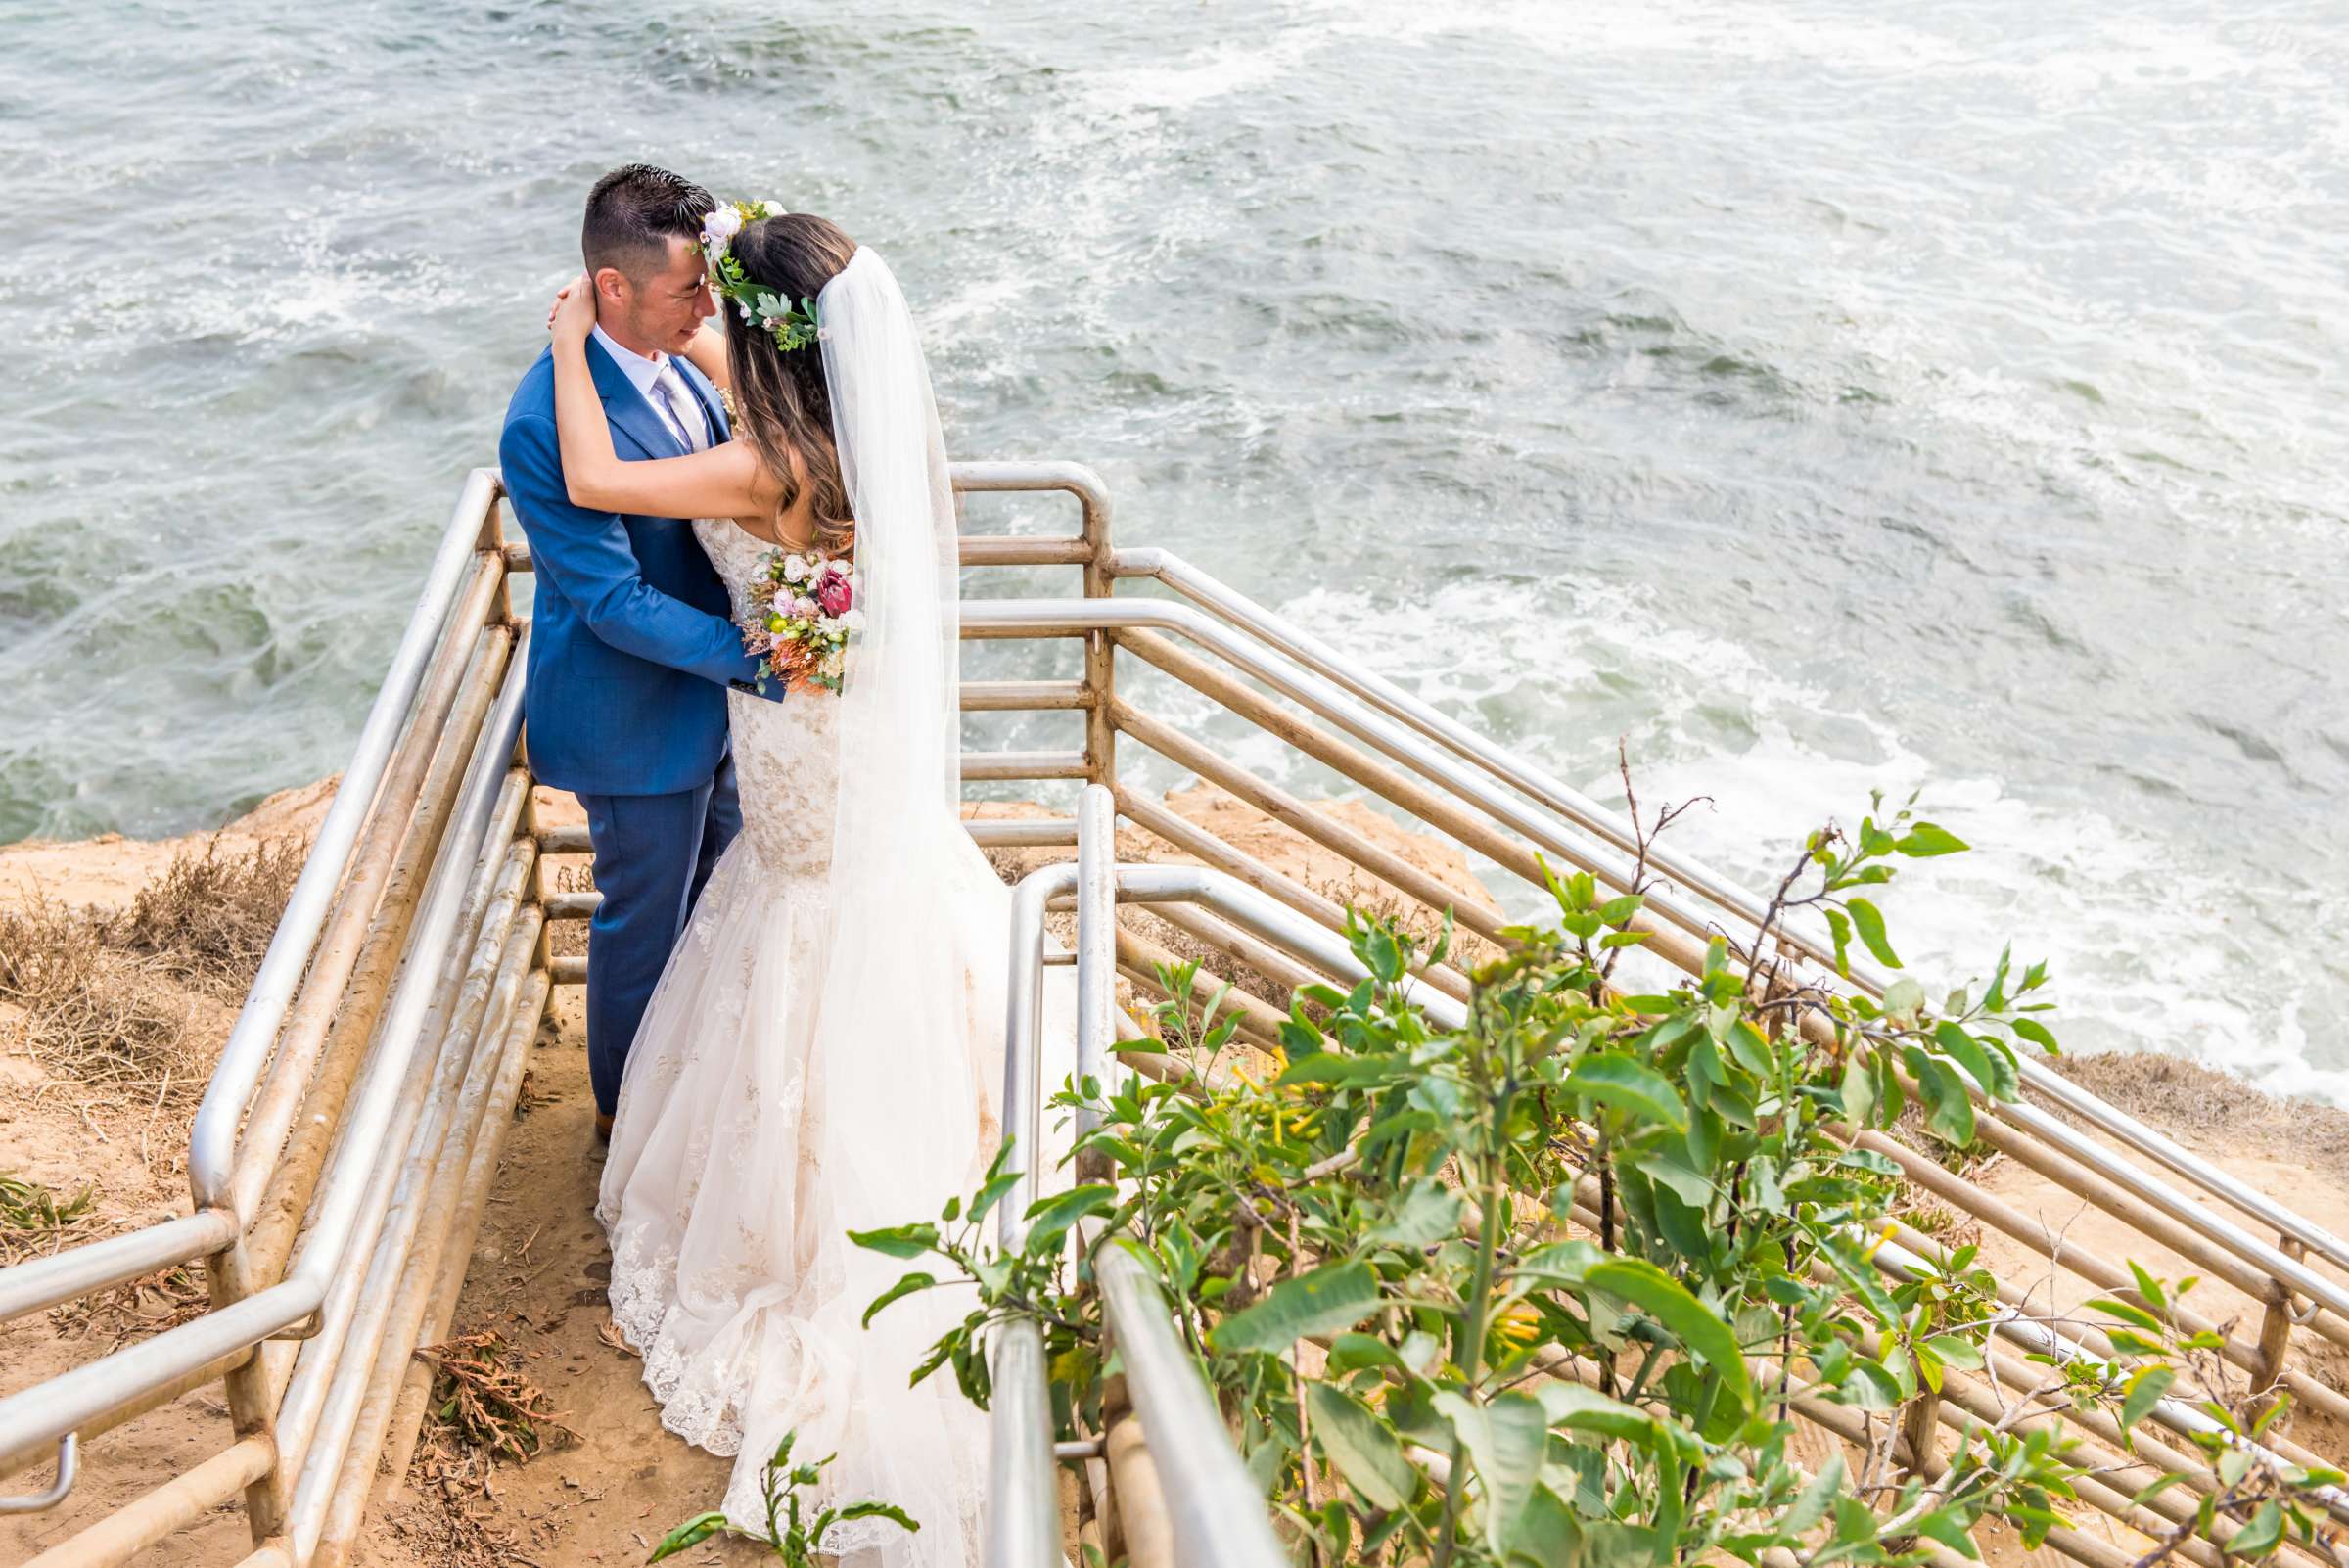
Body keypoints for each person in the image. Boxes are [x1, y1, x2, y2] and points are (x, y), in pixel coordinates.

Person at [542, 201, 1076, 1564]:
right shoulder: (862, 453)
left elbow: (597, 481)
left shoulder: (758, 472)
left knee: (787, 930)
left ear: (766, 341)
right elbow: (757, 372)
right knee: (869, 922)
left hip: (787, 747)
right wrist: (748, 313)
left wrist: (565, 346)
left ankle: (791, 1233)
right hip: (861, 755)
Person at [497, 164, 777, 1143]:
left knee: (718, 905)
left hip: (721, 697)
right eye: (687, 289)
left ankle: (693, 1090)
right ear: (611, 289)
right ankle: (627, 1127)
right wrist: (763, 659)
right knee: (643, 931)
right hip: (633, 719)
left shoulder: (681, 358)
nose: (710, 308)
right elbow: (612, 599)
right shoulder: (544, 424)